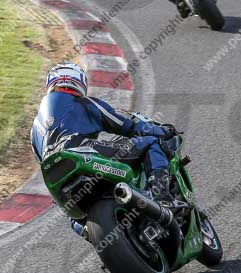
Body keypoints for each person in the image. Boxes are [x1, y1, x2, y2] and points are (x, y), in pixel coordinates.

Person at [31, 62, 177, 207]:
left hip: (55, 176)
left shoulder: (34, 129)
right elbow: (126, 126)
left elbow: (40, 158)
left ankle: (91, 226)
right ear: (80, 81)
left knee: (78, 222)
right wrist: (162, 131)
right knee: (151, 142)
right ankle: (161, 196)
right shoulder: (84, 103)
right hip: (79, 150)